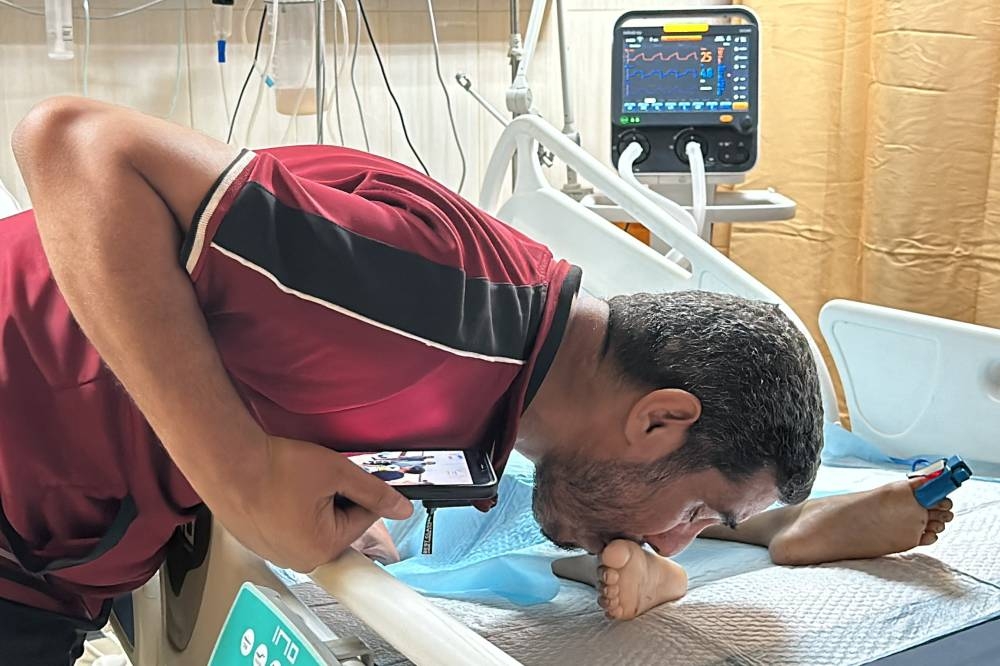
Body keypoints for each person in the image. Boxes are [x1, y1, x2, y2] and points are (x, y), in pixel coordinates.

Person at [0, 97, 953, 663]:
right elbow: (75, 143)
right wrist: (238, 474)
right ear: (660, 420)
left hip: (60, 561)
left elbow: (287, 370)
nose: (680, 537)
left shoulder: (504, 392)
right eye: (699, 513)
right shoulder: (445, 305)